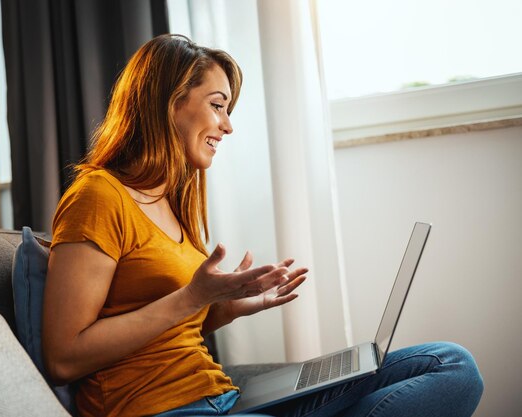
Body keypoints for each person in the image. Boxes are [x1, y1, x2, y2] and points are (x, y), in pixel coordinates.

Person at [42, 34, 484, 417]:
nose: (227, 126)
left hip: (221, 397)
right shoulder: (98, 197)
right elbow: (64, 357)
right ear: (169, 102)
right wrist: (193, 296)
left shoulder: (172, 201)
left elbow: (168, 325)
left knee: (452, 365)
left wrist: (226, 306)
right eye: (218, 106)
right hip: (157, 408)